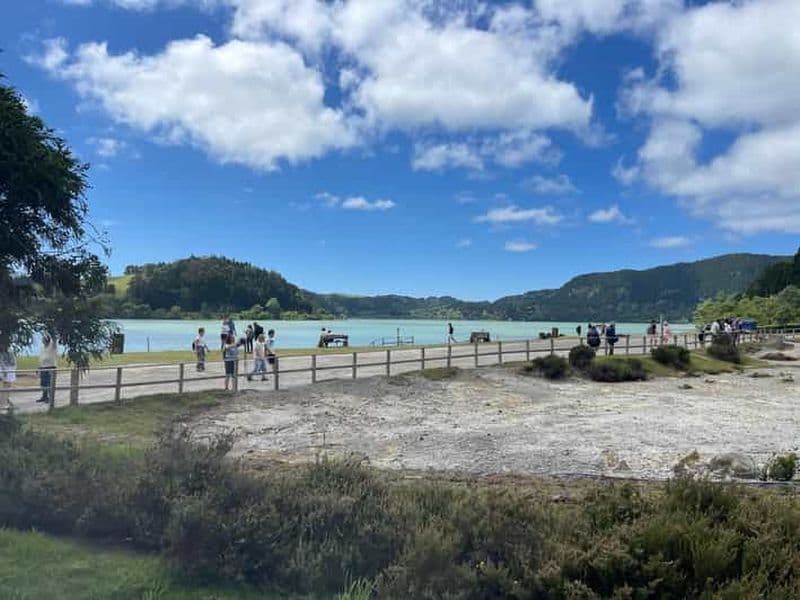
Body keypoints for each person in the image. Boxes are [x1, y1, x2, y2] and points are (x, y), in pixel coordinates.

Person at [38, 334, 58, 404]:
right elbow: (40, 358)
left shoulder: (52, 346)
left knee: (49, 383)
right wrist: (39, 367)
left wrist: (52, 331)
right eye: (43, 339)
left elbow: (55, 340)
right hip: (43, 367)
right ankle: (44, 396)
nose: (43, 341)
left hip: (51, 367)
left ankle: (51, 397)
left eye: (44, 339)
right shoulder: (42, 348)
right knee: (43, 383)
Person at [0, 340, 16, 411]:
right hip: (5, 369)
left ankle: (6, 400)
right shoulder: (2, 353)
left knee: (8, 386)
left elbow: (13, 362)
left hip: (10, 369)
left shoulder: (10, 351)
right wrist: (4, 371)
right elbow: (2, 362)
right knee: (6, 386)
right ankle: (3, 403)